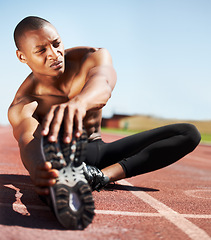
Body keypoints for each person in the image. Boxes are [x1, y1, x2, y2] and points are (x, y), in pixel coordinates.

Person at [8, 16, 201, 230]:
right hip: (66, 157)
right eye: (41, 51)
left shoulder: (91, 57)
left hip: (98, 150)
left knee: (188, 133)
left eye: (56, 44)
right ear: (22, 57)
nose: (54, 55)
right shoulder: (24, 103)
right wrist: (38, 171)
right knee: (52, 173)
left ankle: (100, 177)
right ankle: (62, 191)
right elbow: (28, 140)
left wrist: (79, 104)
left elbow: (103, 84)